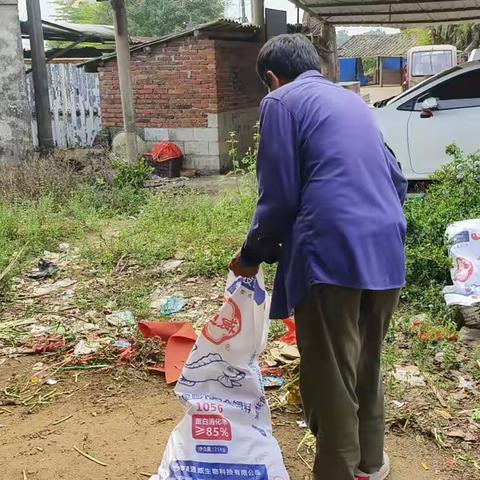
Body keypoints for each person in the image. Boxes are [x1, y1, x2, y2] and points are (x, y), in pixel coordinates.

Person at [229, 34, 407, 480]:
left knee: (329, 372)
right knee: (367, 360)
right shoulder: (353, 104)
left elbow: (280, 197)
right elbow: (397, 178)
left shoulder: (281, 102)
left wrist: (251, 255)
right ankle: (370, 464)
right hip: (385, 247)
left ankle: (336, 473)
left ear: (272, 77)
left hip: (332, 253)